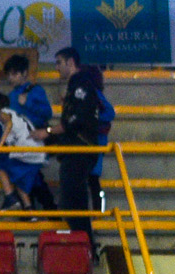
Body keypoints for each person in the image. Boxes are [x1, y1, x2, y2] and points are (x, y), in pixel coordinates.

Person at [51, 47, 107, 236]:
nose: (56, 67)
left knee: (74, 202)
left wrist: (51, 131)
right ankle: (84, 242)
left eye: (59, 62)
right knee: (72, 202)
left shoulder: (81, 85)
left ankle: (85, 243)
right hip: (77, 149)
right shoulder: (78, 85)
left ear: (70, 62)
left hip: (78, 150)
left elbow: (78, 119)